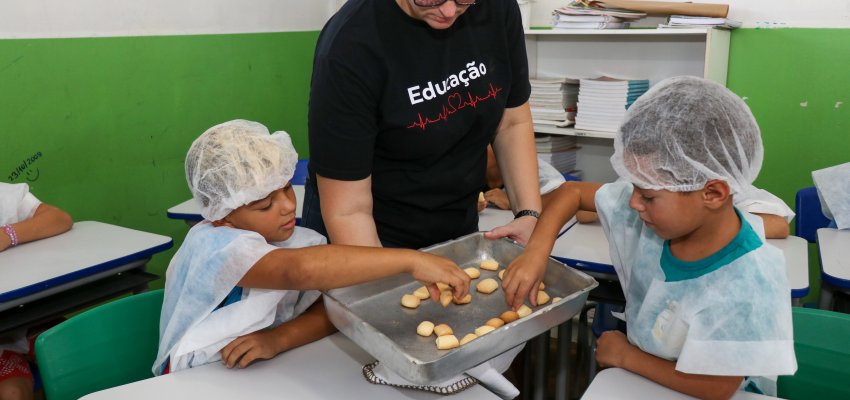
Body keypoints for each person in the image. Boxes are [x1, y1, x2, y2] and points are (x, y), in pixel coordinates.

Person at [500, 77, 797, 397]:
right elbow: (571, 192)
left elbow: (718, 387)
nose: (631, 202)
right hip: (643, 379)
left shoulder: (749, 279)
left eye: (648, 195)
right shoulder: (654, 211)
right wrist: (536, 252)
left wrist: (627, 356)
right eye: (633, 188)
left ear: (712, 193)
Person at [154, 120, 470, 375]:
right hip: (198, 374)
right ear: (223, 215)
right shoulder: (213, 246)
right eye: (265, 205)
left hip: (261, 371)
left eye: (287, 188)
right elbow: (298, 271)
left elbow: (331, 308)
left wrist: (279, 338)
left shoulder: (293, 238)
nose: (288, 206)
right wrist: (410, 260)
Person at [304, 0, 542, 250]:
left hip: (456, 222)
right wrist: (383, 283)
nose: (450, 10)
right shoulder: (350, 45)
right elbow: (348, 212)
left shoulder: (497, 7)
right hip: (369, 231)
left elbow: (511, 122)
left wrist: (529, 214)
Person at [1, 183, 73, 400]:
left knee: (80, 356)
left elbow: (60, 218)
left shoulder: (4, 196)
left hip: (30, 317)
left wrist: (8, 234)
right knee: (13, 394)